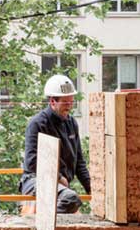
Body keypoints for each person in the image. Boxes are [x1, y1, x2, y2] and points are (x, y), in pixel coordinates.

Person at [19, 74, 91, 213]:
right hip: (36, 181)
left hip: (60, 188)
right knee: (70, 199)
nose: (69, 106)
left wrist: (92, 189)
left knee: (70, 199)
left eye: (71, 102)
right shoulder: (37, 124)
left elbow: (79, 163)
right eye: (65, 103)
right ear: (52, 101)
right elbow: (32, 161)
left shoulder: (71, 124)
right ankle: (41, 219)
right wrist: (58, 177)